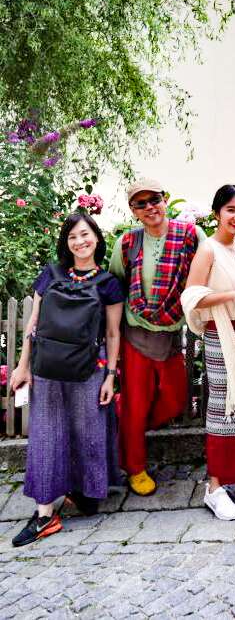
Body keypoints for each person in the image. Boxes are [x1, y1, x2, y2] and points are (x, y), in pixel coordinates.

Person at [10, 213, 124, 546]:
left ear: (96, 239)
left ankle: (84, 491)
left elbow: (114, 334)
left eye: (85, 234)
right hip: (47, 370)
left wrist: (110, 376)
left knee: (88, 431)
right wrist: (22, 366)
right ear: (66, 241)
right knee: (46, 434)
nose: (80, 241)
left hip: (89, 370)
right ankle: (45, 514)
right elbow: (34, 322)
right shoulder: (53, 273)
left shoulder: (107, 283)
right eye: (73, 236)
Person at [109, 178, 205, 496]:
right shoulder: (126, 242)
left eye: (155, 200)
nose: (150, 207)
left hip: (170, 333)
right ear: (133, 211)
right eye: (141, 203)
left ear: (165, 200)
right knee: (136, 405)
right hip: (135, 334)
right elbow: (115, 286)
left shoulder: (190, 235)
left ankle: (123, 429)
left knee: (176, 399)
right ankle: (135, 467)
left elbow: (208, 266)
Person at [181, 185, 235, 520]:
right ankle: (214, 487)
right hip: (222, 335)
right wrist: (229, 295)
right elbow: (191, 296)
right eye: (230, 209)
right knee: (223, 410)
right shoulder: (208, 250)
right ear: (217, 214)